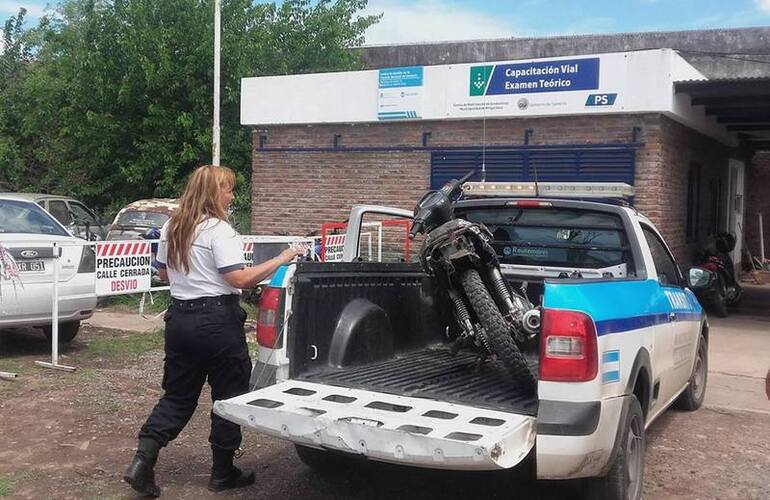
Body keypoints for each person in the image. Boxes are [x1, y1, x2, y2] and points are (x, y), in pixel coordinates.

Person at [123, 165, 305, 497]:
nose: (232, 196)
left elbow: (163, 274)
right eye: (228, 189)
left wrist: (191, 276)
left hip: (179, 320)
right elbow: (239, 279)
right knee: (229, 395)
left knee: (178, 396)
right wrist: (282, 257)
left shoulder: (172, 227)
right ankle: (222, 472)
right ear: (212, 193)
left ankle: (142, 461)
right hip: (216, 322)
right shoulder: (219, 231)